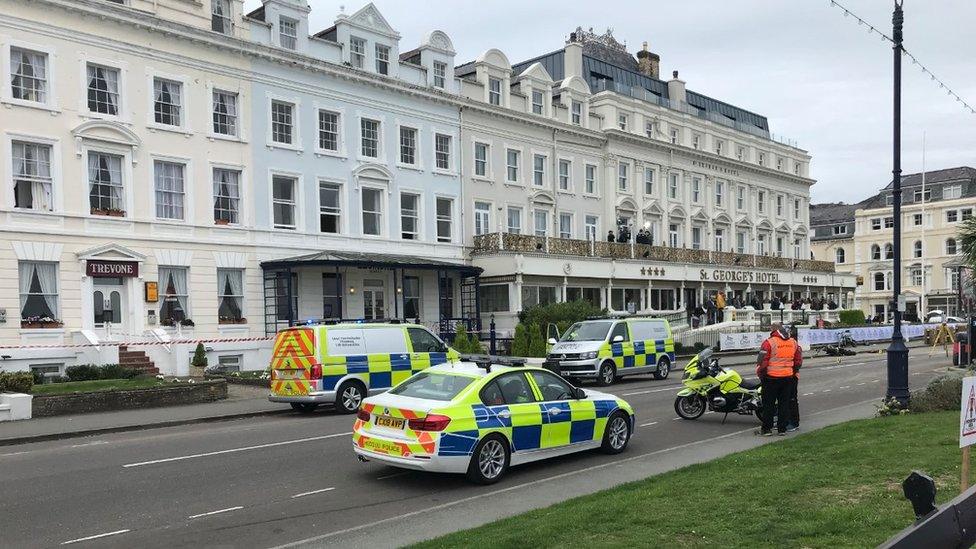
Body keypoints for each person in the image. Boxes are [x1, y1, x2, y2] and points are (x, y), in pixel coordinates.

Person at [756, 323, 802, 436]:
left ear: (773, 330)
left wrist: (761, 374)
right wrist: (793, 371)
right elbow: (798, 361)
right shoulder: (793, 342)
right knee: (784, 404)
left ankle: (767, 429)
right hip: (787, 378)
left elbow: (761, 362)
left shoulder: (769, 342)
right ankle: (782, 429)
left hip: (770, 378)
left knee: (768, 405)